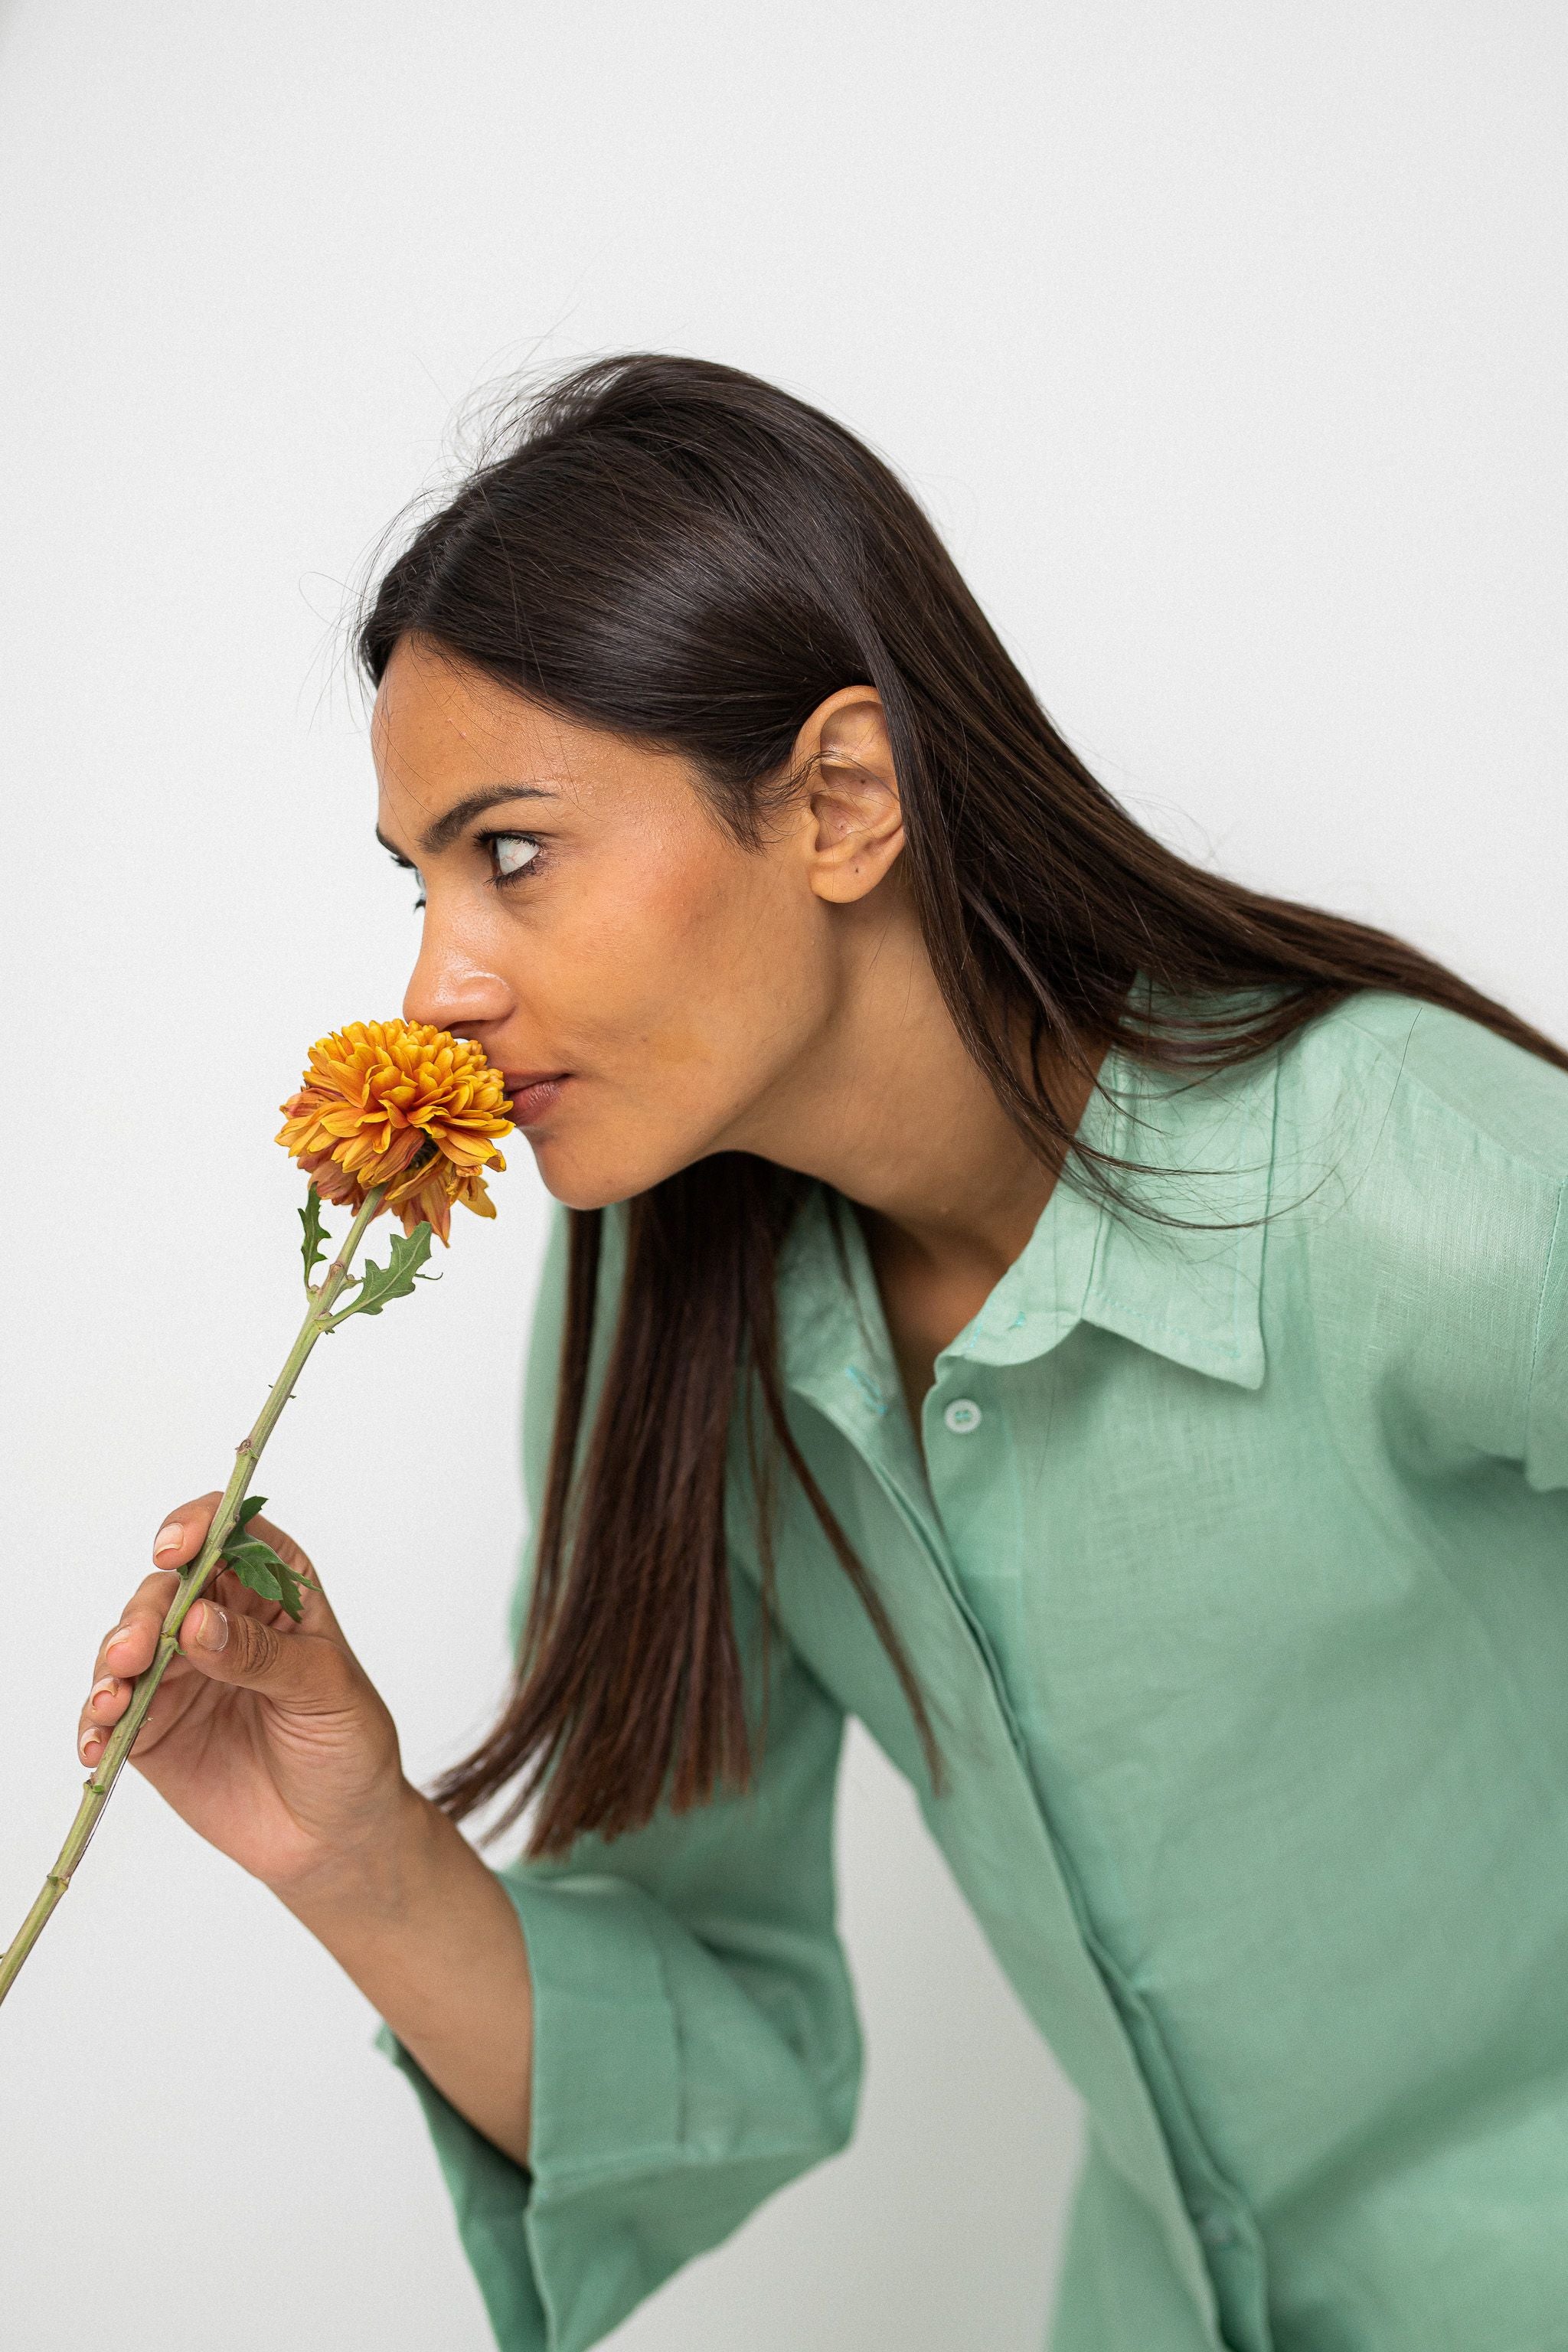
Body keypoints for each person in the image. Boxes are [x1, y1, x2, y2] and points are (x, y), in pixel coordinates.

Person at [79, 356, 1568, 2352]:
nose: (436, 982)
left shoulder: (1408, 1176)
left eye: (507, 851)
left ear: (841, 801)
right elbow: (728, 2036)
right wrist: (353, 1853)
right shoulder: (664, 1345)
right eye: (420, 879)